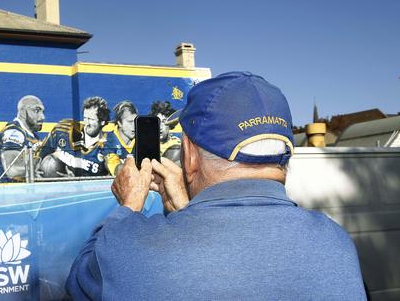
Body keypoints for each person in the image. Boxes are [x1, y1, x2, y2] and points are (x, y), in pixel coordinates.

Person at [66, 71, 366, 300]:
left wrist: (129, 206)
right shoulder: (336, 243)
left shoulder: (132, 251)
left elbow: (80, 282)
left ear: (189, 155)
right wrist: (184, 212)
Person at [38, 97, 111, 177]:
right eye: (85, 118)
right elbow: (39, 155)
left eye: (91, 119)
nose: (87, 123)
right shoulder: (64, 130)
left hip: (88, 187)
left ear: (102, 122)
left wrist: (75, 180)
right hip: (54, 186)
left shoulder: (108, 145)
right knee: (51, 163)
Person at [0, 95, 45, 180]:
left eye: (42, 112)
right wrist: (44, 168)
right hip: (18, 189)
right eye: (36, 111)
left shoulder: (32, 135)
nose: (42, 117)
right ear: (23, 112)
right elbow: (12, 170)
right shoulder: (14, 132)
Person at [104, 101, 137, 175]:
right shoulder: (109, 140)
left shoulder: (142, 138)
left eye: (135, 121)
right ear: (119, 123)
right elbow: (116, 170)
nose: (134, 126)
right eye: (130, 122)